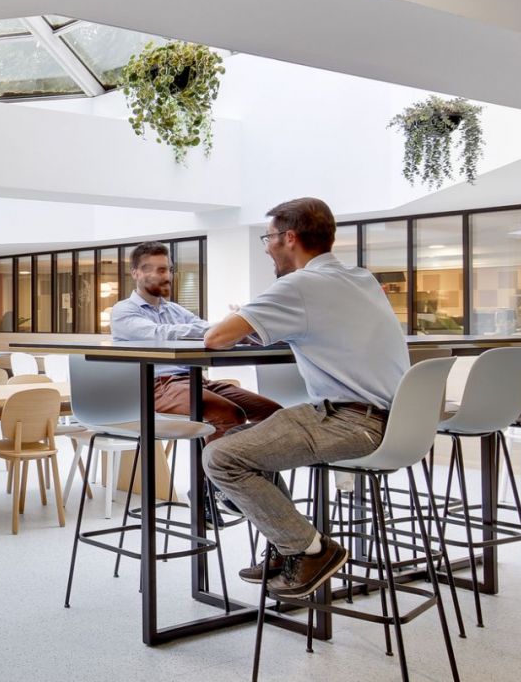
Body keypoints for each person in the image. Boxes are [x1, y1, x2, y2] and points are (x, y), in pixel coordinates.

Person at [201, 198, 409, 599]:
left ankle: (311, 550)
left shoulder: (299, 285)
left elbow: (216, 338)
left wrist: (250, 317)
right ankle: (287, 546)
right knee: (241, 442)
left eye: (268, 238)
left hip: (350, 422)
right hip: (395, 420)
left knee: (220, 457)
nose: (266, 248)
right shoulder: (361, 278)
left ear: (289, 238)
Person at [111, 241, 280, 441]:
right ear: (136, 273)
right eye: (156, 270)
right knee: (229, 415)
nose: (164, 276)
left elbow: (208, 332)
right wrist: (224, 326)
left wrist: (245, 328)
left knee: (274, 414)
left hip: (195, 380)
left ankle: (256, 463)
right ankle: (214, 463)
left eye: (167, 270)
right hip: (155, 385)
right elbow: (160, 333)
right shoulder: (123, 311)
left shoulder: (175, 310)